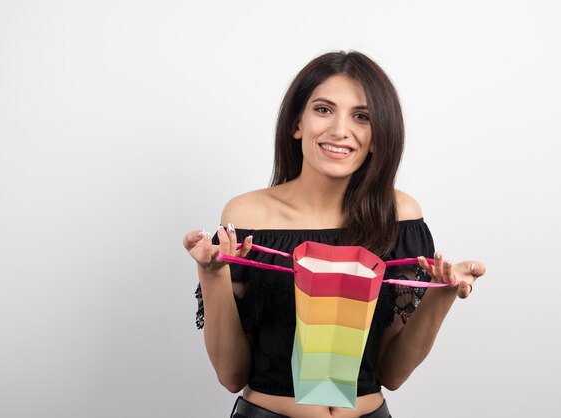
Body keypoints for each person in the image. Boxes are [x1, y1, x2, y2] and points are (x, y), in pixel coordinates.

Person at [183, 51, 486, 418]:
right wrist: (211, 273)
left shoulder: (399, 217)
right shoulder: (247, 216)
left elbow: (392, 373)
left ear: (377, 136)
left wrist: (444, 293)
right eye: (324, 109)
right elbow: (231, 375)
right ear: (297, 123)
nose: (340, 130)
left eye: (361, 116)